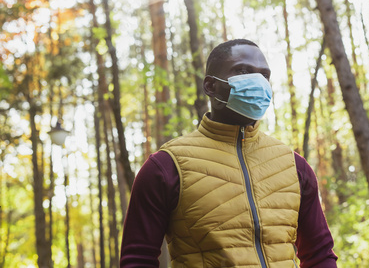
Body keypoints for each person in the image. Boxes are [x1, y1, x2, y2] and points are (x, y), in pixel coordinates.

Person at [120, 39, 337, 268]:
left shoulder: (294, 166)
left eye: (264, 75)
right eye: (243, 71)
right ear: (210, 86)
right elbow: (138, 259)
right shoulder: (166, 167)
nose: (258, 82)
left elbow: (320, 255)